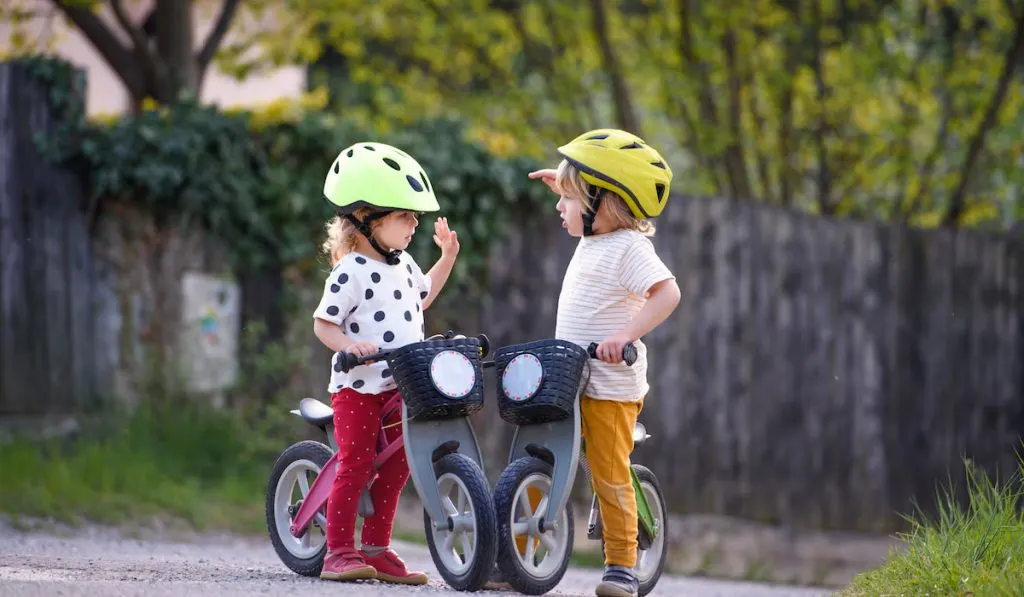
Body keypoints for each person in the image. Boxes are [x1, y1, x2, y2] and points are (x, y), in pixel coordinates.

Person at [534, 129, 681, 597]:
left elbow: (668, 293)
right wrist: (564, 188)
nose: (560, 208)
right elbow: (586, 210)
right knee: (540, 454)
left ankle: (622, 565)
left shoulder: (630, 248)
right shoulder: (594, 237)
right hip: (568, 377)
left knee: (607, 472)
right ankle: (516, 554)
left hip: (610, 385)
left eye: (570, 198)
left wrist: (624, 335)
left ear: (602, 203)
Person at [312, 141, 460, 583]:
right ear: (366, 221)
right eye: (404, 215)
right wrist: (346, 346)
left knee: (399, 463)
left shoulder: (406, 264)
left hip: (401, 385)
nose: (415, 223)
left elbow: (423, 296)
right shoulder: (350, 271)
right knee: (355, 461)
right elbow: (324, 324)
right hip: (358, 387)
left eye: (415, 215)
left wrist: (447, 258)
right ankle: (338, 550)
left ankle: (376, 548)